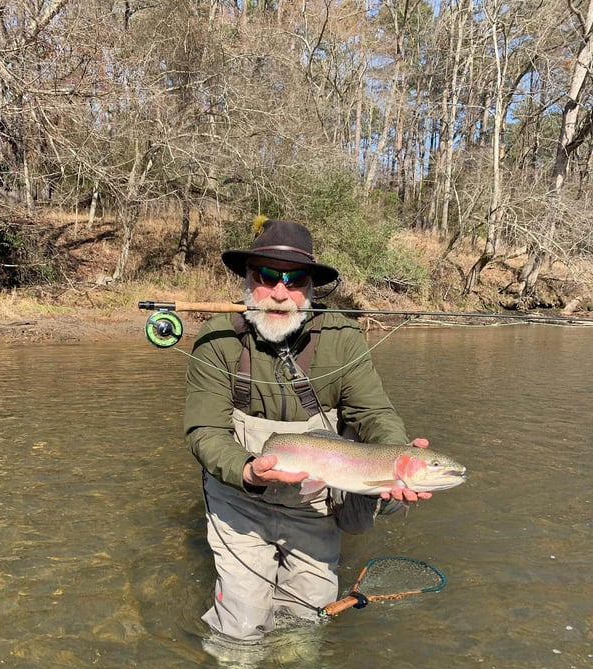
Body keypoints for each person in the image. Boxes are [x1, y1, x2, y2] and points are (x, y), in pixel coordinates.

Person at [183, 217, 430, 645]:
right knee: (241, 627)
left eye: (294, 280)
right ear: (248, 279)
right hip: (238, 497)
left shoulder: (342, 337)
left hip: (315, 501)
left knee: (306, 625)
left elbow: (373, 412)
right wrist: (248, 470)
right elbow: (205, 430)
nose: (280, 293)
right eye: (266, 277)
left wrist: (396, 454)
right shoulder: (217, 339)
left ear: (311, 287)